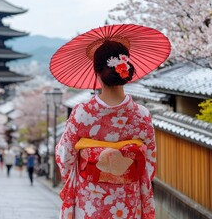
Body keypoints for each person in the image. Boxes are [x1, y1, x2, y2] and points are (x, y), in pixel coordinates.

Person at [55, 40, 157, 218]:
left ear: (97, 73)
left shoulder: (82, 114)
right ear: (126, 71)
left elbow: (65, 158)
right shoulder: (142, 115)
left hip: (90, 202)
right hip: (127, 202)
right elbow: (149, 164)